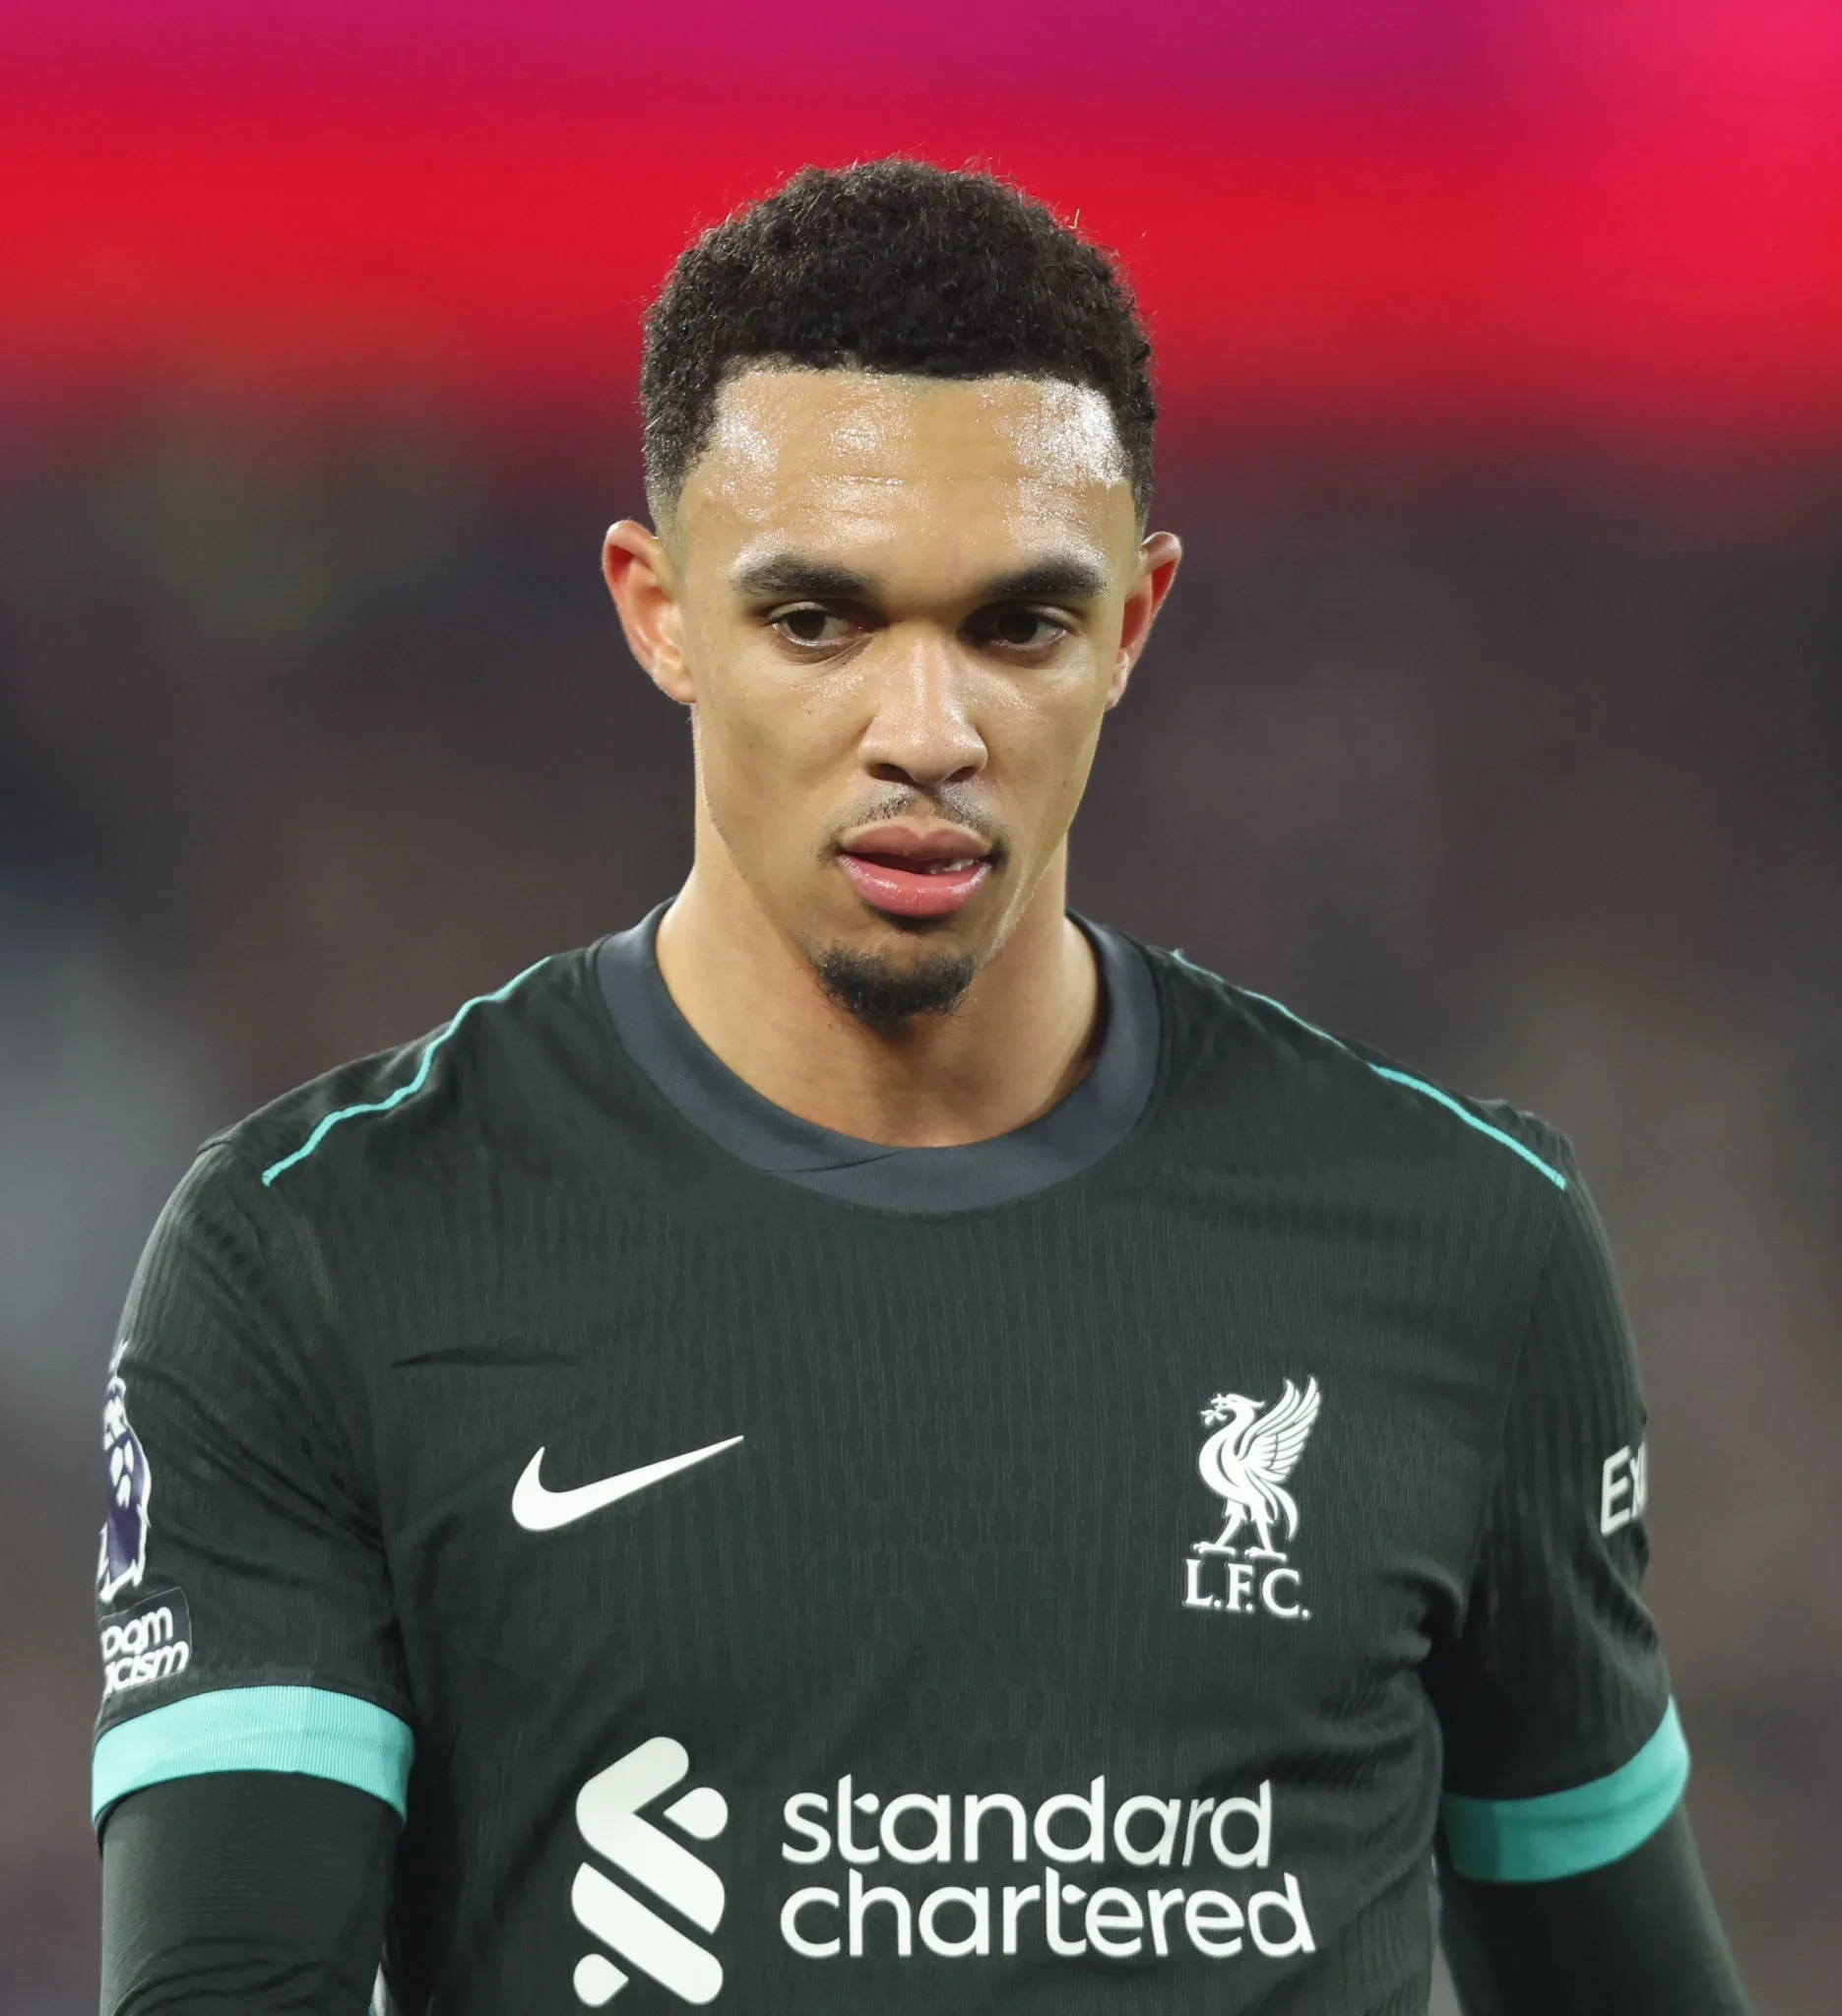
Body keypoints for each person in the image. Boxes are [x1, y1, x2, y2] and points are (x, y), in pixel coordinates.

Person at [94, 160, 1748, 2015]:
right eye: (818, 623)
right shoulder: (325, 1255)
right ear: (656, 610)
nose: (928, 734)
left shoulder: (1464, 1246)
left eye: (1017, 627)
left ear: (1131, 622)